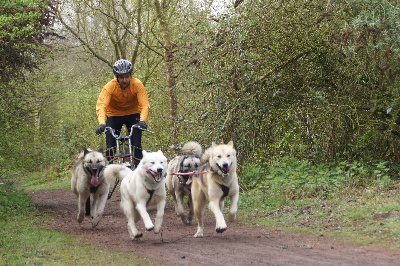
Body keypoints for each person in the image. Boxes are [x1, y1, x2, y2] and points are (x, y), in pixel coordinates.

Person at [95, 59, 150, 165]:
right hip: (114, 115)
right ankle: (108, 174)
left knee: (136, 146)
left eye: (127, 76)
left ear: (131, 75)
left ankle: (139, 174)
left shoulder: (137, 85)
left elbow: (144, 105)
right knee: (110, 148)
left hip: (133, 114)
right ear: (116, 77)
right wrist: (102, 123)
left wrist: (143, 120)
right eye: (121, 77)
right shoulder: (110, 87)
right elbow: (101, 105)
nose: (124, 80)